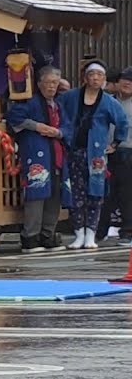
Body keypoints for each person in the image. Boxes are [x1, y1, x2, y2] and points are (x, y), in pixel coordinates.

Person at [58, 59, 129, 250]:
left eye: (99, 75)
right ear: (85, 77)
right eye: (91, 74)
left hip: (96, 153)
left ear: (104, 79)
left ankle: (91, 233)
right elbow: (57, 110)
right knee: (75, 194)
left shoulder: (108, 101)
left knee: (95, 194)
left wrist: (115, 143)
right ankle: (78, 233)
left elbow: (122, 122)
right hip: (73, 151)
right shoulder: (71, 97)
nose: (95, 78)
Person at [8, 66, 72, 253]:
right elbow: (14, 117)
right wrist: (37, 126)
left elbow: (68, 127)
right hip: (37, 153)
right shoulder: (30, 102)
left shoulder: (58, 105)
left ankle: (48, 235)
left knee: (55, 194)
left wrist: (59, 132)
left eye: (55, 83)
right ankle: (30, 237)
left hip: (57, 153)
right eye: (48, 82)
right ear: (39, 83)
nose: (52, 86)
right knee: (37, 192)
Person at [98, 67, 132, 245]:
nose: (127, 83)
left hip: (129, 151)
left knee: (127, 194)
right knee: (105, 193)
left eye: (131, 81)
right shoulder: (108, 101)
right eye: (124, 80)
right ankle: (99, 231)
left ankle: (128, 232)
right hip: (106, 153)